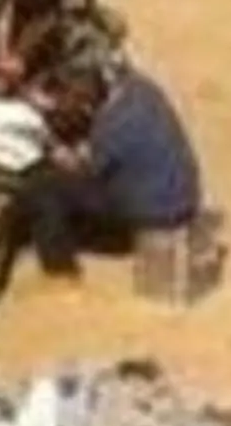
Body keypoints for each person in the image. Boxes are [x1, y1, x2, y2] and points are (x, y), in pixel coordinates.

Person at [17, 63, 205, 283]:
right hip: (184, 196)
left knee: (43, 186)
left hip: (154, 215)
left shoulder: (110, 129)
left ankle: (60, 272)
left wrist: (55, 150)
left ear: (86, 105)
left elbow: (82, 169)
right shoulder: (142, 88)